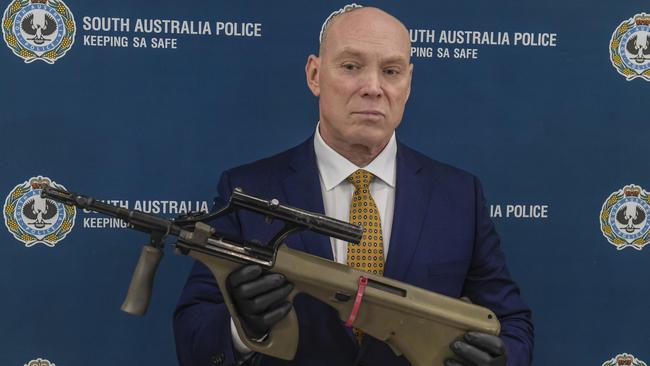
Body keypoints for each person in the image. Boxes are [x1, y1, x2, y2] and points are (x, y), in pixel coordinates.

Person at [174, 5, 533, 366]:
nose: (373, 88)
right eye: (351, 67)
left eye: (390, 71)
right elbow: (194, 335)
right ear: (315, 75)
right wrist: (241, 330)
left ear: (408, 83)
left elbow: (512, 324)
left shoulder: (460, 197)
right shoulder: (247, 191)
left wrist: (501, 361)